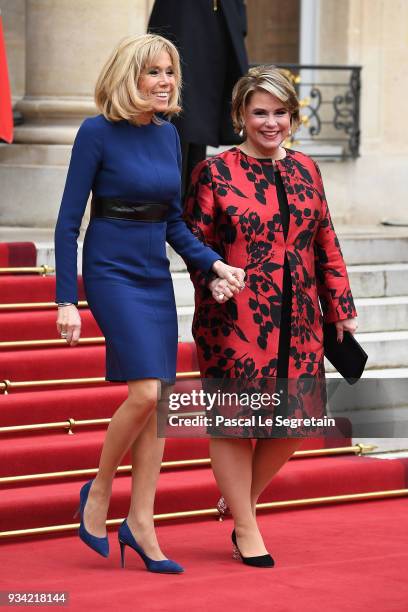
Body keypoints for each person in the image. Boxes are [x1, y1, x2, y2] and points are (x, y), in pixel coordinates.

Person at [54, 33, 245, 573]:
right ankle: (98, 492)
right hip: (111, 271)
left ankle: (141, 523)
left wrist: (213, 264)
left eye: (169, 72)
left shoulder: (169, 137)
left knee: (160, 402)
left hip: (153, 275)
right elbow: (69, 222)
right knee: (142, 393)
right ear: (129, 77)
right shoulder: (96, 134)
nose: (165, 82)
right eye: (153, 72)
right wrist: (67, 299)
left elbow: (174, 223)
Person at [184, 65, 358, 567]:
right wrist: (212, 278)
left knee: (296, 421)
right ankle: (245, 526)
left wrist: (339, 307)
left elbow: (325, 239)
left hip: (301, 314)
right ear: (240, 114)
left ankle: (243, 501)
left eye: (280, 112)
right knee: (237, 423)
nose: (271, 122)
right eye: (260, 112)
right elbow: (194, 242)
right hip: (234, 316)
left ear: (293, 116)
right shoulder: (215, 172)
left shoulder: (307, 168)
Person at [148, 0, 248, 198]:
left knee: (197, 135)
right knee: (179, 128)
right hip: (183, 39)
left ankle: (187, 218)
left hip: (212, 48)